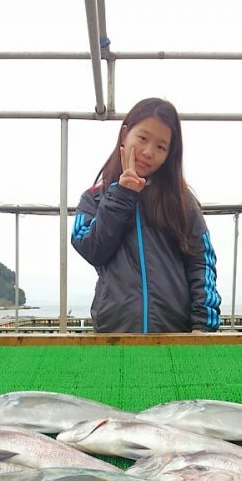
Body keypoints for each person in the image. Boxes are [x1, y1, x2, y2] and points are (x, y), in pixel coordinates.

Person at [71, 97, 221, 334]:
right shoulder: (95, 198)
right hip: (114, 333)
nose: (149, 152)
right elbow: (91, 248)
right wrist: (121, 195)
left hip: (175, 334)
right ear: (124, 135)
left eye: (161, 147)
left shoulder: (182, 200)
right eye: (142, 138)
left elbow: (202, 261)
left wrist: (202, 324)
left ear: (170, 154)